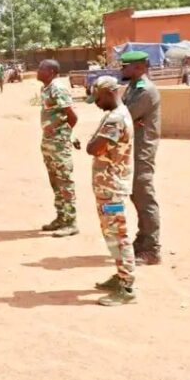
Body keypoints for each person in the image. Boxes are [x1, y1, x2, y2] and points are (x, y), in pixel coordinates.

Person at [86, 76, 137, 306]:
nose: (96, 103)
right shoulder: (115, 114)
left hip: (112, 187)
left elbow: (94, 148)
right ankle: (120, 275)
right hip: (108, 186)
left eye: (97, 98)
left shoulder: (115, 119)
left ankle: (127, 288)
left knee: (118, 235)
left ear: (108, 92)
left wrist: (91, 142)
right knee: (112, 234)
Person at [120, 50, 161, 265]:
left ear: (139, 67)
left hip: (142, 151)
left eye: (125, 66)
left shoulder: (146, 91)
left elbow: (123, 116)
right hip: (132, 149)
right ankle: (142, 240)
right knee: (136, 195)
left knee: (145, 197)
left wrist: (128, 119)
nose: (122, 69)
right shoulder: (134, 87)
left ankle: (152, 249)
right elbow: (124, 114)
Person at [34, 60, 81, 237]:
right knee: (55, 182)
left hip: (59, 144)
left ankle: (71, 222)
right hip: (49, 142)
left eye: (41, 68)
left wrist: (65, 135)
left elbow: (72, 116)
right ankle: (61, 218)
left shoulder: (58, 88)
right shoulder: (46, 89)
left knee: (65, 181)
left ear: (52, 71)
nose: (38, 71)